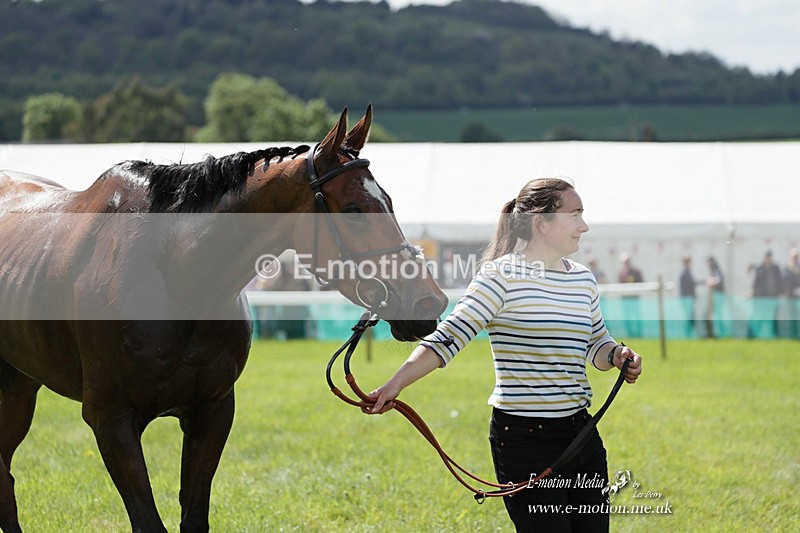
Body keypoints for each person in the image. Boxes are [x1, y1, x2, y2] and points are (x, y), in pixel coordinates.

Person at [363, 177, 643, 532]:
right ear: (542, 223)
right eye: (574, 215)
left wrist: (617, 356)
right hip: (525, 439)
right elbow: (449, 338)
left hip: (581, 434)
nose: (583, 226)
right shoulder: (500, 276)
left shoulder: (583, 280)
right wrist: (394, 385)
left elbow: (595, 343)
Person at [617, 252, 644, 337]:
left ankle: (638, 333)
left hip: (634, 299)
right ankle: (630, 333)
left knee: (637, 316)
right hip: (625, 299)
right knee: (627, 317)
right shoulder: (621, 273)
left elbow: (641, 283)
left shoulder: (636, 271)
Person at [705, 256, 725, 338]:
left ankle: (720, 332)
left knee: (718, 315)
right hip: (714, 297)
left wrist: (711, 281)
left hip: (718, 297)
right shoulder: (713, 271)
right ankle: (715, 332)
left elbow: (719, 280)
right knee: (714, 315)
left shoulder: (717, 270)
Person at [678, 255, 697, 337]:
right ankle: (688, 334)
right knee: (689, 317)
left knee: (690, 317)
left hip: (688, 298)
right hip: (686, 298)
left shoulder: (687, 272)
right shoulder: (684, 273)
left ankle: (689, 334)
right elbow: (692, 283)